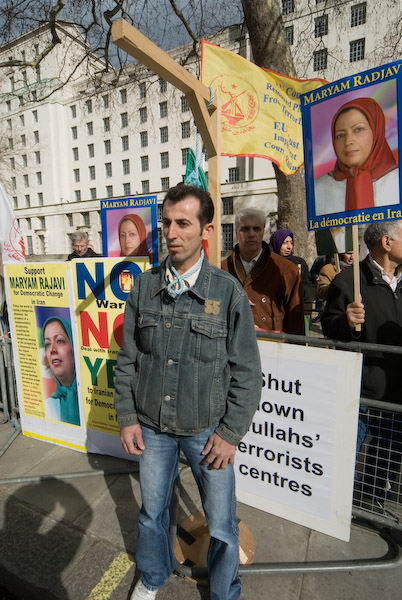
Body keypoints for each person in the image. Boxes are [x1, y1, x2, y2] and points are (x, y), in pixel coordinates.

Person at [114, 184, 261, 600]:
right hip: (153, 427)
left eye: (183, 223)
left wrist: (230, 433)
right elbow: (129, 360)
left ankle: (223, 592)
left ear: (206, 230)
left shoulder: (227, 292)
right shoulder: (143, 288)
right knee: (151, 515)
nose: (172, 233)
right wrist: (127, 417)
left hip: (207, 431)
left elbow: (248, 372)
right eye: (166, 223)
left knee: (221, 525)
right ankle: (153, 576)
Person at [321, 221, 402, 506]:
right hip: (362, 391)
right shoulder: (349, 281)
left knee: (388, 453)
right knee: (346, 452)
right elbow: (329, 327)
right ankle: (334, 502)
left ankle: (372, 499)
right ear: (386, 242)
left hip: (397, 389)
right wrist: (345, 320)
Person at [221, 209, 304, 334]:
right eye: (245, 229)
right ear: (236, 232)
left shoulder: (286, 270)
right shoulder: (221, 269)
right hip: (231, 343)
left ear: (263, 231)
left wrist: (296, 350)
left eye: (256, 229)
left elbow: (296, 320)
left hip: (274, 346)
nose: (251, 234)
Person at [315, 97, 399, 216]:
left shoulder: (396, 180)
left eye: (358, 129)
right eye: (340, 135)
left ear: (376, 131)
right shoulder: (319, 188)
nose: (348, 141)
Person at [42, 317, 80, 426]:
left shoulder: (93, 397)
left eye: (59, 341)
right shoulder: (49, 405)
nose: (53, 349)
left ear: (74, 346)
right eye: (47, 344)